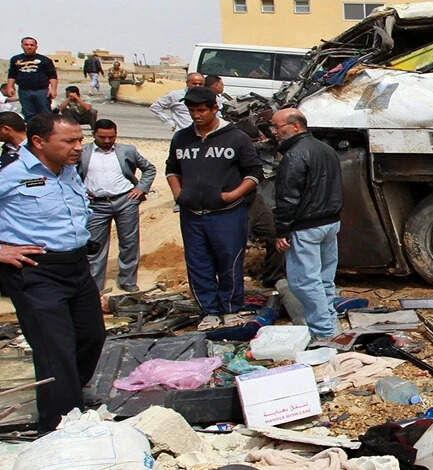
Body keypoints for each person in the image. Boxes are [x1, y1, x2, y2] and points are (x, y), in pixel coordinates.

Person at [0, 114, 106, 432]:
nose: (79, 147)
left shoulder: (68, 169)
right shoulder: (10, 172)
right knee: (54, 348)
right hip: (36, 271)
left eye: (80, 140)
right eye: (69, 141)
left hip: (76, 266)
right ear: (39, 142)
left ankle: (70, 393)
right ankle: (58, 427)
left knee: (91, 335)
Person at [164, 86, 263, 329]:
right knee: (198, 263)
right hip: (192, 215)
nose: (196, 115)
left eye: (201, 110)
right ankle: (208, 311)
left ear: (214, 108)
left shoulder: (236, 138)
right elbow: (172, 169)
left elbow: (254, 173)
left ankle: (230, 309)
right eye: (192, 110)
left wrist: (233, 195)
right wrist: (178, 193)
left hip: (227, 215)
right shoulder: (181, 138)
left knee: (229, 262)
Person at [270, 108, 343, 339]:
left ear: (295, 126)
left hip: (306, 226)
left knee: (304, 282)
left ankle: (323, 332)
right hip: (330, 223)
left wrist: (282, 230)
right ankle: (330, 323)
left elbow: (287, 197)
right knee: (324, 279)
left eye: (277, 127)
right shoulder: (326, 149)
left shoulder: (294, 156)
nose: (274, 132)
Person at [79, 119, 156, 293]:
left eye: (111, 137)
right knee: (95, 245)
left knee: (129, 242)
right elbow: (68, 174)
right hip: (96, 204)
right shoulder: (82, 152)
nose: (107, 141)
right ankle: (95, 285)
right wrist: (81, 191)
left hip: (125, 201)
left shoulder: (127, 150)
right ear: (94, 135)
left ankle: (128, 280)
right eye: (102, 137)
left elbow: (149, 169)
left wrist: (141, 188)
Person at [3, 37, 58, 120]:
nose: (29, 47)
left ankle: (47, 128)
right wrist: (10, 87)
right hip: (24, 91)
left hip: (41, 91)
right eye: (26, 45)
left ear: (36, 47)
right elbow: (12, 75)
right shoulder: (16, 59)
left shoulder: (45, 60)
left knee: (45, 113)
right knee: (29, 114)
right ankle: (31, 127)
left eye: (32, 45)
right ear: (22, 46)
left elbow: (52, 76)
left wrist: (53, 89)